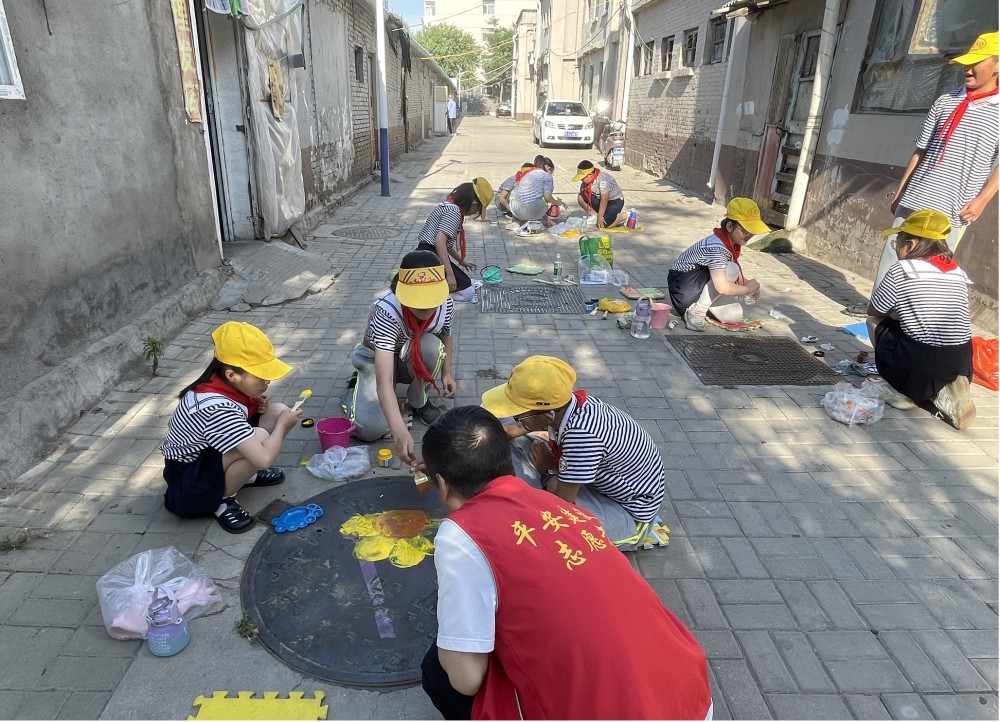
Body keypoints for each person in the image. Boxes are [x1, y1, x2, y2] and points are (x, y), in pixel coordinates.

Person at [418, 406, 712, 721]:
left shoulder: (461, 533)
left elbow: (466, 680)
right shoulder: (562, 506)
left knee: (437, 668)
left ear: (442, 484)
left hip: (623, 711)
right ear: (507, 464)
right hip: (690, 695)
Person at [480, 355, 665, 545]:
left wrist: (547, 471)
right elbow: (517, 429)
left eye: (517, 414)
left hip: (629, 515)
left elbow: (563, 504)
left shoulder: (581, 436)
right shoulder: (569, 404)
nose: (513, 418)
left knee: (548, 522)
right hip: (602, 483)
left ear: (547, 417)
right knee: (515, 446)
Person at [877, 31, 999, 289]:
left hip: (954, 207)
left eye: (976, 62)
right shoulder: (945, 101)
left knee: (930, 270)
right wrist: (901, 191)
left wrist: (982, 200)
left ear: (997, 67)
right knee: (892, 260)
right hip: (914, 198)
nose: (967, 68)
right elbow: (920, 150)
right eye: (967, 62)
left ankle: (913, 317)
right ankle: (879, 312)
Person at [160, 322, 301, 534]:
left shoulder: (219, 385)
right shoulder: (216, 407)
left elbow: (233, 422)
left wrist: (256, 406)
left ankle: (246, 476)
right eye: (261, 375)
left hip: (206, 458)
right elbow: (264, 459)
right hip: (189, 482)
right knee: (262, 436)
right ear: (232, 375)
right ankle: (222, 500)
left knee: (277, 410)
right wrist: (282, 426)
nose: (268, 381)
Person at [343, 250, 457, 464]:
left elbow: (446, 337)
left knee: (432, 347)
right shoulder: (386, 311)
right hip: (376, 357)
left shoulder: (446, 304)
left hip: (408, 353)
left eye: (430, 298)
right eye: (417, 299)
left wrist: (447, 374)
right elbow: (384, 380)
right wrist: (399, 431)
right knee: (369, 430)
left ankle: (418, 400)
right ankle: (354, 389)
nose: (425, 307)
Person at [869, 209, 976, 430]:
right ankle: (945, 386)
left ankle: (903, 389)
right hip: (962, 360)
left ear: (912, 244)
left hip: (920, 362)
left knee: (873, 322)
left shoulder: (903, 268)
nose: (896, 248)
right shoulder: (957, 272)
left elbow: (875, 310)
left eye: (897, 242)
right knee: (923, 341)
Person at [667, 197, 769, 332]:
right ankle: (696, 311)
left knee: (734, 316)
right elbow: (722, 286)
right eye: (745, 230)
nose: (748, 235)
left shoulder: (731, 243)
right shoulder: (717, 247)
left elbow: (735, 279)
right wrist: (747, 289)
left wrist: (749, 283)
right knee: (731, 268)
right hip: (683, 287)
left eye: (752, 231)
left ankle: (702, 305)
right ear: (729, 226)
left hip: (699, 286)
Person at [416, 178, 493, 303]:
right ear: (474, 203)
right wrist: (450, 274)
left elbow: (445, 243)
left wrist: (460, 261)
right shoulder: (453, 212)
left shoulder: (450, 206)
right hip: (430, 257)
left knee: (466, 282)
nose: (475, 213)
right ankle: (430, 297)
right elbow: (439, 242)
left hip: (427, 253)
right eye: (478, 210)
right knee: (467, 293)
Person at [508, 157, 566, 227]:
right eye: (552, 172)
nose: (551, 174)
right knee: (544, 194)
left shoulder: (528, 173)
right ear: (549, 168)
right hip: (533, 212)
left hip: (516, 210)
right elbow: (547, 197)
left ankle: (516, 221)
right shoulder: (547, 177)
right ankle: (534, 219)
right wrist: (556, 202)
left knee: (516, 192)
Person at [573, 159, 627, 228]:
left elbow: (604, 199)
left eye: (582, 178)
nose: (581, 180)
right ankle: (595, 217)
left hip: (614, 201)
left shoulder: (603, 180)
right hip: (599, 199)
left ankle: (625, 215)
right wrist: (597, 217)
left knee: (603, 224)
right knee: (580, 197)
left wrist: (600, 217)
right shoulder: (586, 182)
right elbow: (583, 193)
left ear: (590, 175)